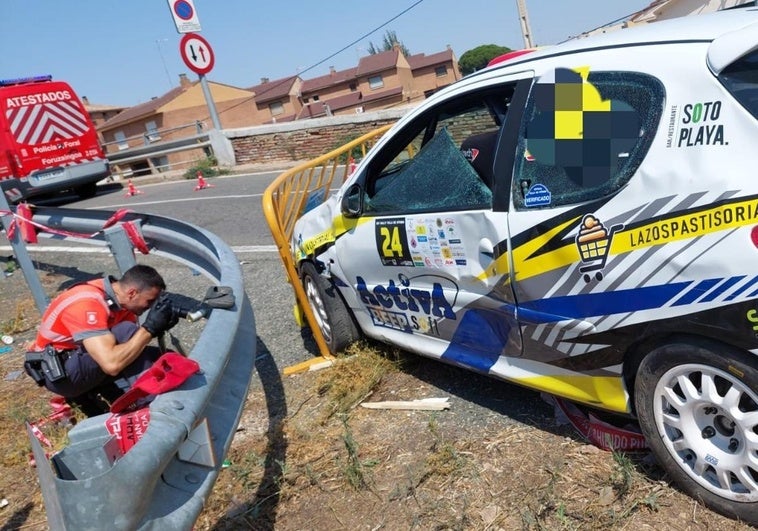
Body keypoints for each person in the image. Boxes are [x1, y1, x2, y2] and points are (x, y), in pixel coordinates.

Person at [25, 264, 179, 416]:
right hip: (60, 374)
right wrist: (149, 328)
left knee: (158, 356)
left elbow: (130, 351)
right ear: (132, 293)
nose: (149, 307)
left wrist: (158, 328)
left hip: (79, 362)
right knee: (126, 330)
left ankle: (144, 403)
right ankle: (153, 407)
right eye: (149, 301)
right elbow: (112, 364)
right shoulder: (87, 303)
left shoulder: (119, 301)